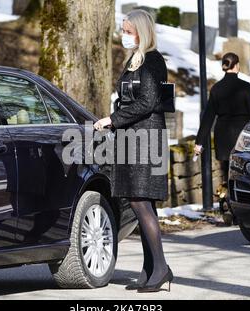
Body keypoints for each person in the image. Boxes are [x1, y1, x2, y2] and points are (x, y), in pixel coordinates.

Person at [93, 9, 173, 293]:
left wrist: (111, 120)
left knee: (140, 202)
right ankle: (150, 268)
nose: (124, 35)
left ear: (142, 31)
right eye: (123, 30)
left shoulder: (152, 60)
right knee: (142, 205)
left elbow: (148, 102)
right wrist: (116, 116)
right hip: (132, 138)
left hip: (146, 139)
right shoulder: (134, 60)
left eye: (128, 31)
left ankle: (161, 268)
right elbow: (128, 99)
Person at [194, 52, 250, 187]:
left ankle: (227, 199)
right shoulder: (246, 87)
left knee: (226, 172)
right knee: (243, 172)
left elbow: (207, 118)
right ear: (236, 66)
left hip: (223, 135)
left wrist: (199, 142)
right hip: (242, 136)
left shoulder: (216, 88)